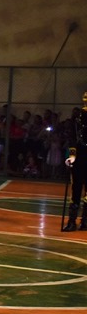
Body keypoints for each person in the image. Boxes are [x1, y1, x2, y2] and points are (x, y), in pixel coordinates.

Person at [62, 92, 87, 231]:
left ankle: (85, 220)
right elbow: (73, 140)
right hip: (80, 157)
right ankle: (72, 221)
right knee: (76, 189)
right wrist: (72, 155)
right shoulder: (77, 120)